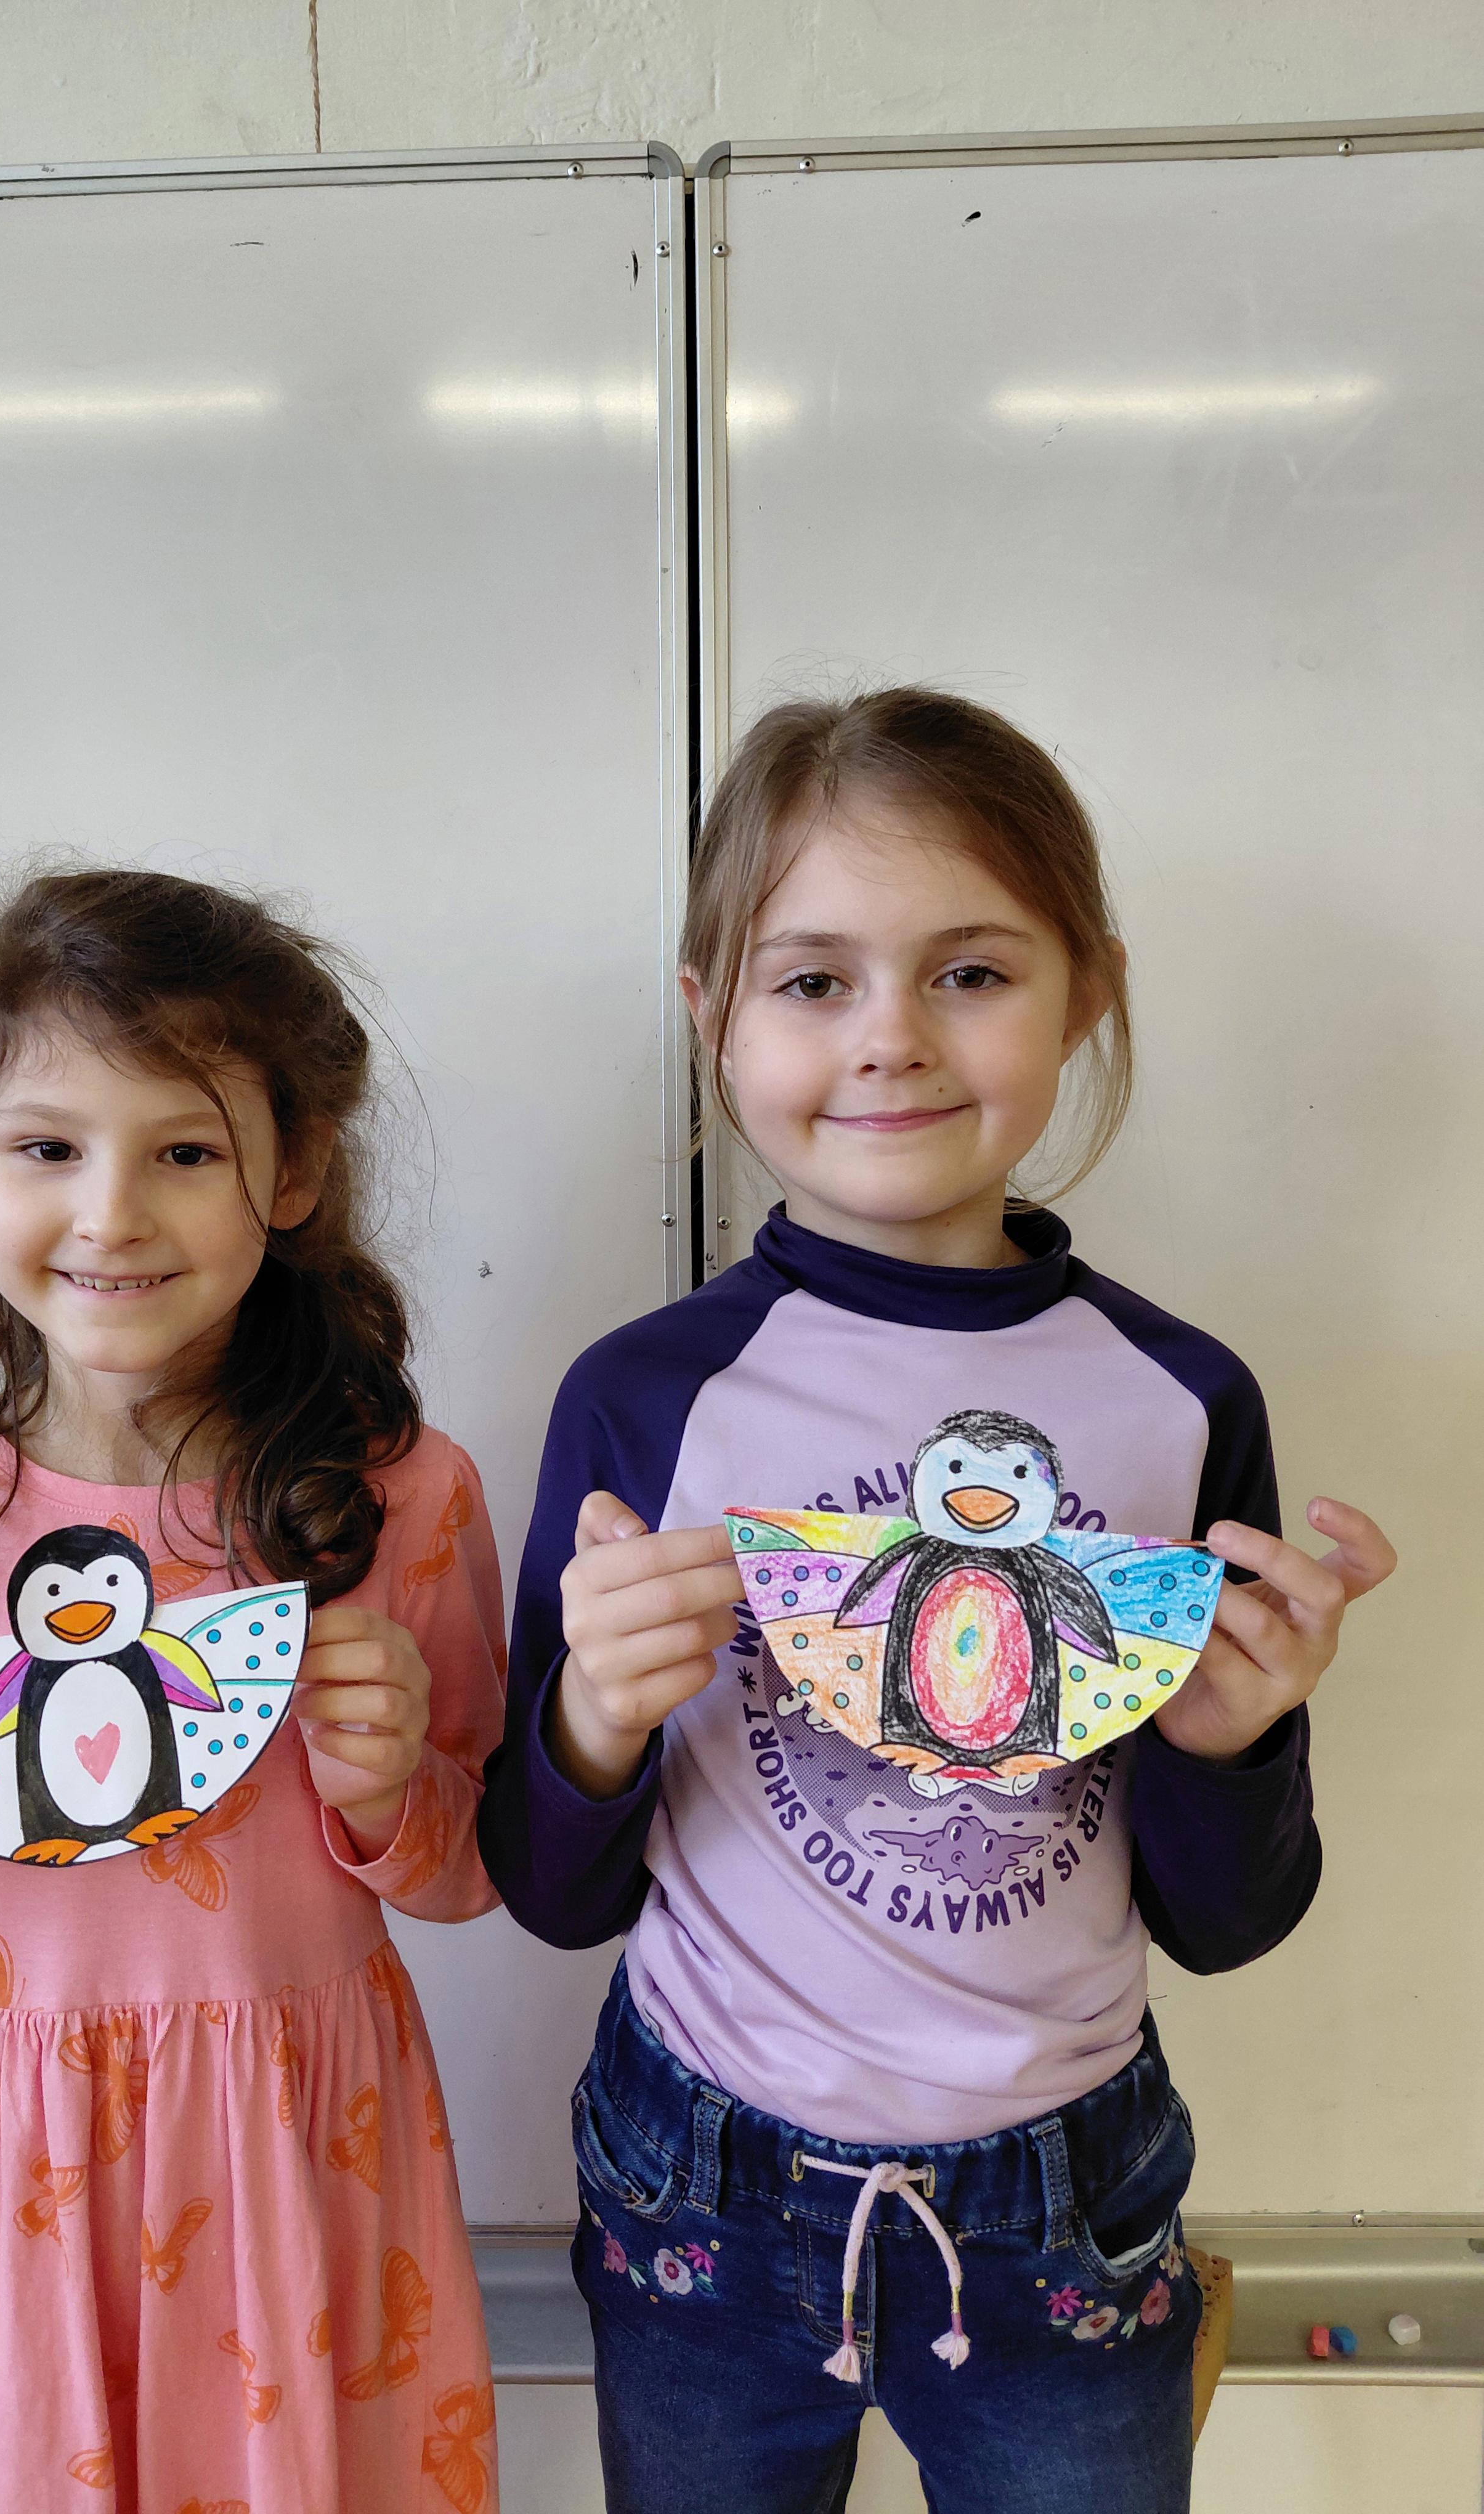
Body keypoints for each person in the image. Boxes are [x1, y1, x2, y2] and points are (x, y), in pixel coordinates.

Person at [478, 690, 1395, 2514]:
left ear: (1087, 992)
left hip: (1068, 2199)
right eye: (812, 981)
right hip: (698, 2185)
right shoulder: (646, 1396)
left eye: (969, 972)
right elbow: (547, 1888)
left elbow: (1231, 1922)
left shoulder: (1179, 1399)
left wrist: (1234, 1745)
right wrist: (588, 1724)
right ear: (710, 1015)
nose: (889, 1038)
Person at [0, 869, 505, 2514]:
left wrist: (391, 1783)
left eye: (185, 1152)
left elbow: (472, 1866)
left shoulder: (405, 1498)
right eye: (48, 1148)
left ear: (293, 1172)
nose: (112, 1214)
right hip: (9, 2160)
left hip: (295, 2151)